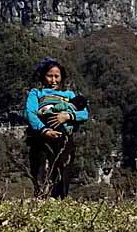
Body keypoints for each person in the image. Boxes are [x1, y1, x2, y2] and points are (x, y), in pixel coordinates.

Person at [25, 57, 89, 198]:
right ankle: (42, 202)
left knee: (63, 172)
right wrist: (44, 130)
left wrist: (66, 116)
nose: (53, 80)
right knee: (42, 172)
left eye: (56, 76)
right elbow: (30, 113)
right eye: (50, 76)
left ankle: (60, 201)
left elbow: (84, 114)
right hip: (41, 139)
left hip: (64, 139)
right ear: (43, 76)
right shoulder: (36, 93)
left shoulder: (69, 95)